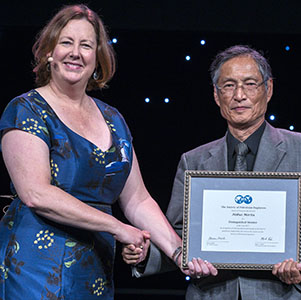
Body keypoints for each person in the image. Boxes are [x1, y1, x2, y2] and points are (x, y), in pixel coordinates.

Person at [0, 4, 217, 299]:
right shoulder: (26, 109)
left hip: (94, 271)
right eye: (66, 42)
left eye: (86, 45)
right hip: (36, 269)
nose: (75, 52)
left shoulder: (113, 119)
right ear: (49, 51)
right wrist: (117, 228)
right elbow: (36, 194)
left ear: (97, 58)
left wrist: (179, 252)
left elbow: (138, 200)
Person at [122, 45, 301, 299]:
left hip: (282, 293)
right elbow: (181, 239)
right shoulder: (194, 161)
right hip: (212, 293)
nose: (239, 95)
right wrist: (146, 255)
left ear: (268, 90)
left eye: (249, 84)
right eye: (228, 85)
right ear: (216, 95)